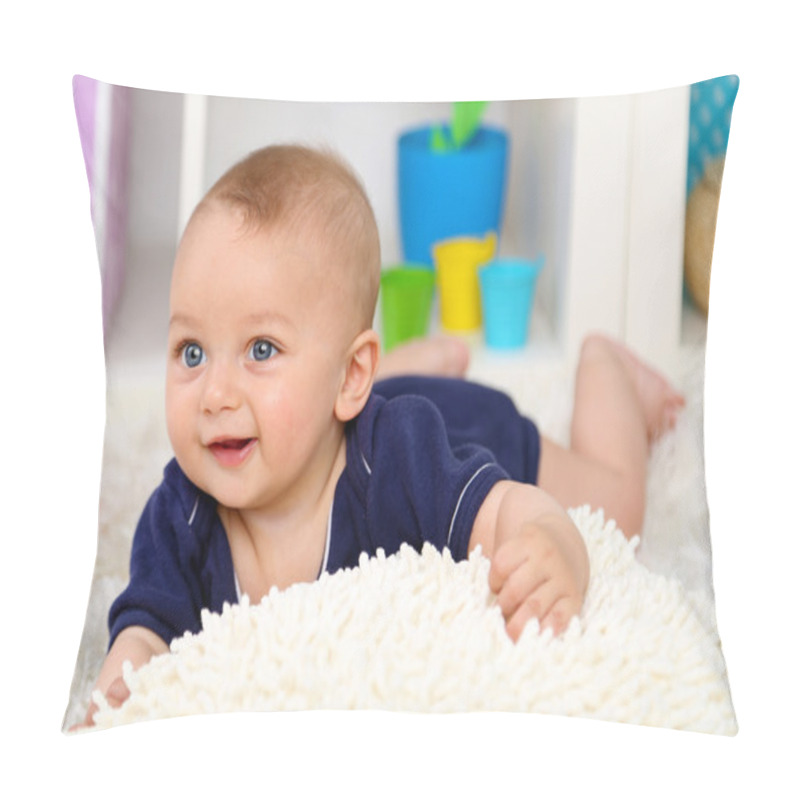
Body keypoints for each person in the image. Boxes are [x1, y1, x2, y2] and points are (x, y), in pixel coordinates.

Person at [76, 144, 683, 728]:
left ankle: (606, 365)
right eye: (191, 351)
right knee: (313, 410)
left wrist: (552, 539)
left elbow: (508, 510)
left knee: (618, 508)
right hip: (346, 406)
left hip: (466, 424)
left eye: (260, 350)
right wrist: (117, 695)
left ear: (350, 375)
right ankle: (411, 363)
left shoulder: (405, 457)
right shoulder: (181, 512)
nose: (214, 394)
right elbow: (144, 630)